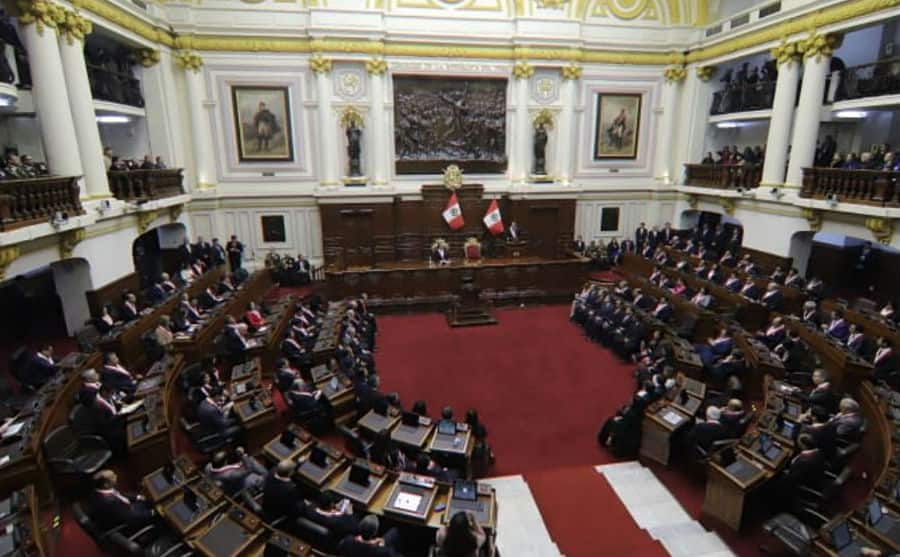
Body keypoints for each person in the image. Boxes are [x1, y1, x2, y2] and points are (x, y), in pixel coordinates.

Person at [88, 470, 154, 531]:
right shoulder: (110, 502)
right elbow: (132, 517)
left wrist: (137, 497)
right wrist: (151, 513)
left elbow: (120, 494)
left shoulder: (100, 490)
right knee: (158, 512)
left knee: (150, 501)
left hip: (127, 509)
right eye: (113, 476)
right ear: (106, 484)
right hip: (128, 524)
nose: (116, 476)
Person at [336, 514, 403, 557]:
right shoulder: (383, 552)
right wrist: (382, 547)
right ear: (375, 533)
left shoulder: (348, 541)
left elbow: (340, 548)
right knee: (394, 531)